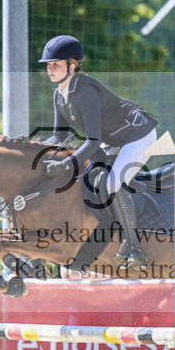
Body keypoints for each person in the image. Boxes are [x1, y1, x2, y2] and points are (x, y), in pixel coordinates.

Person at [38, 34, 158, 270]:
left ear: (72, 66)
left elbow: (93, 141)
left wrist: (66, 164)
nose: (50, 69)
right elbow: (58, 137)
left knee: (112, 183)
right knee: (91, 180)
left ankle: (133, 249)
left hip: (137, 134)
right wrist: (34, 151)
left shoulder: (86, 92)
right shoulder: (59, 95)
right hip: (112, 138)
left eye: (56, 64)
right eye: (49, 65)